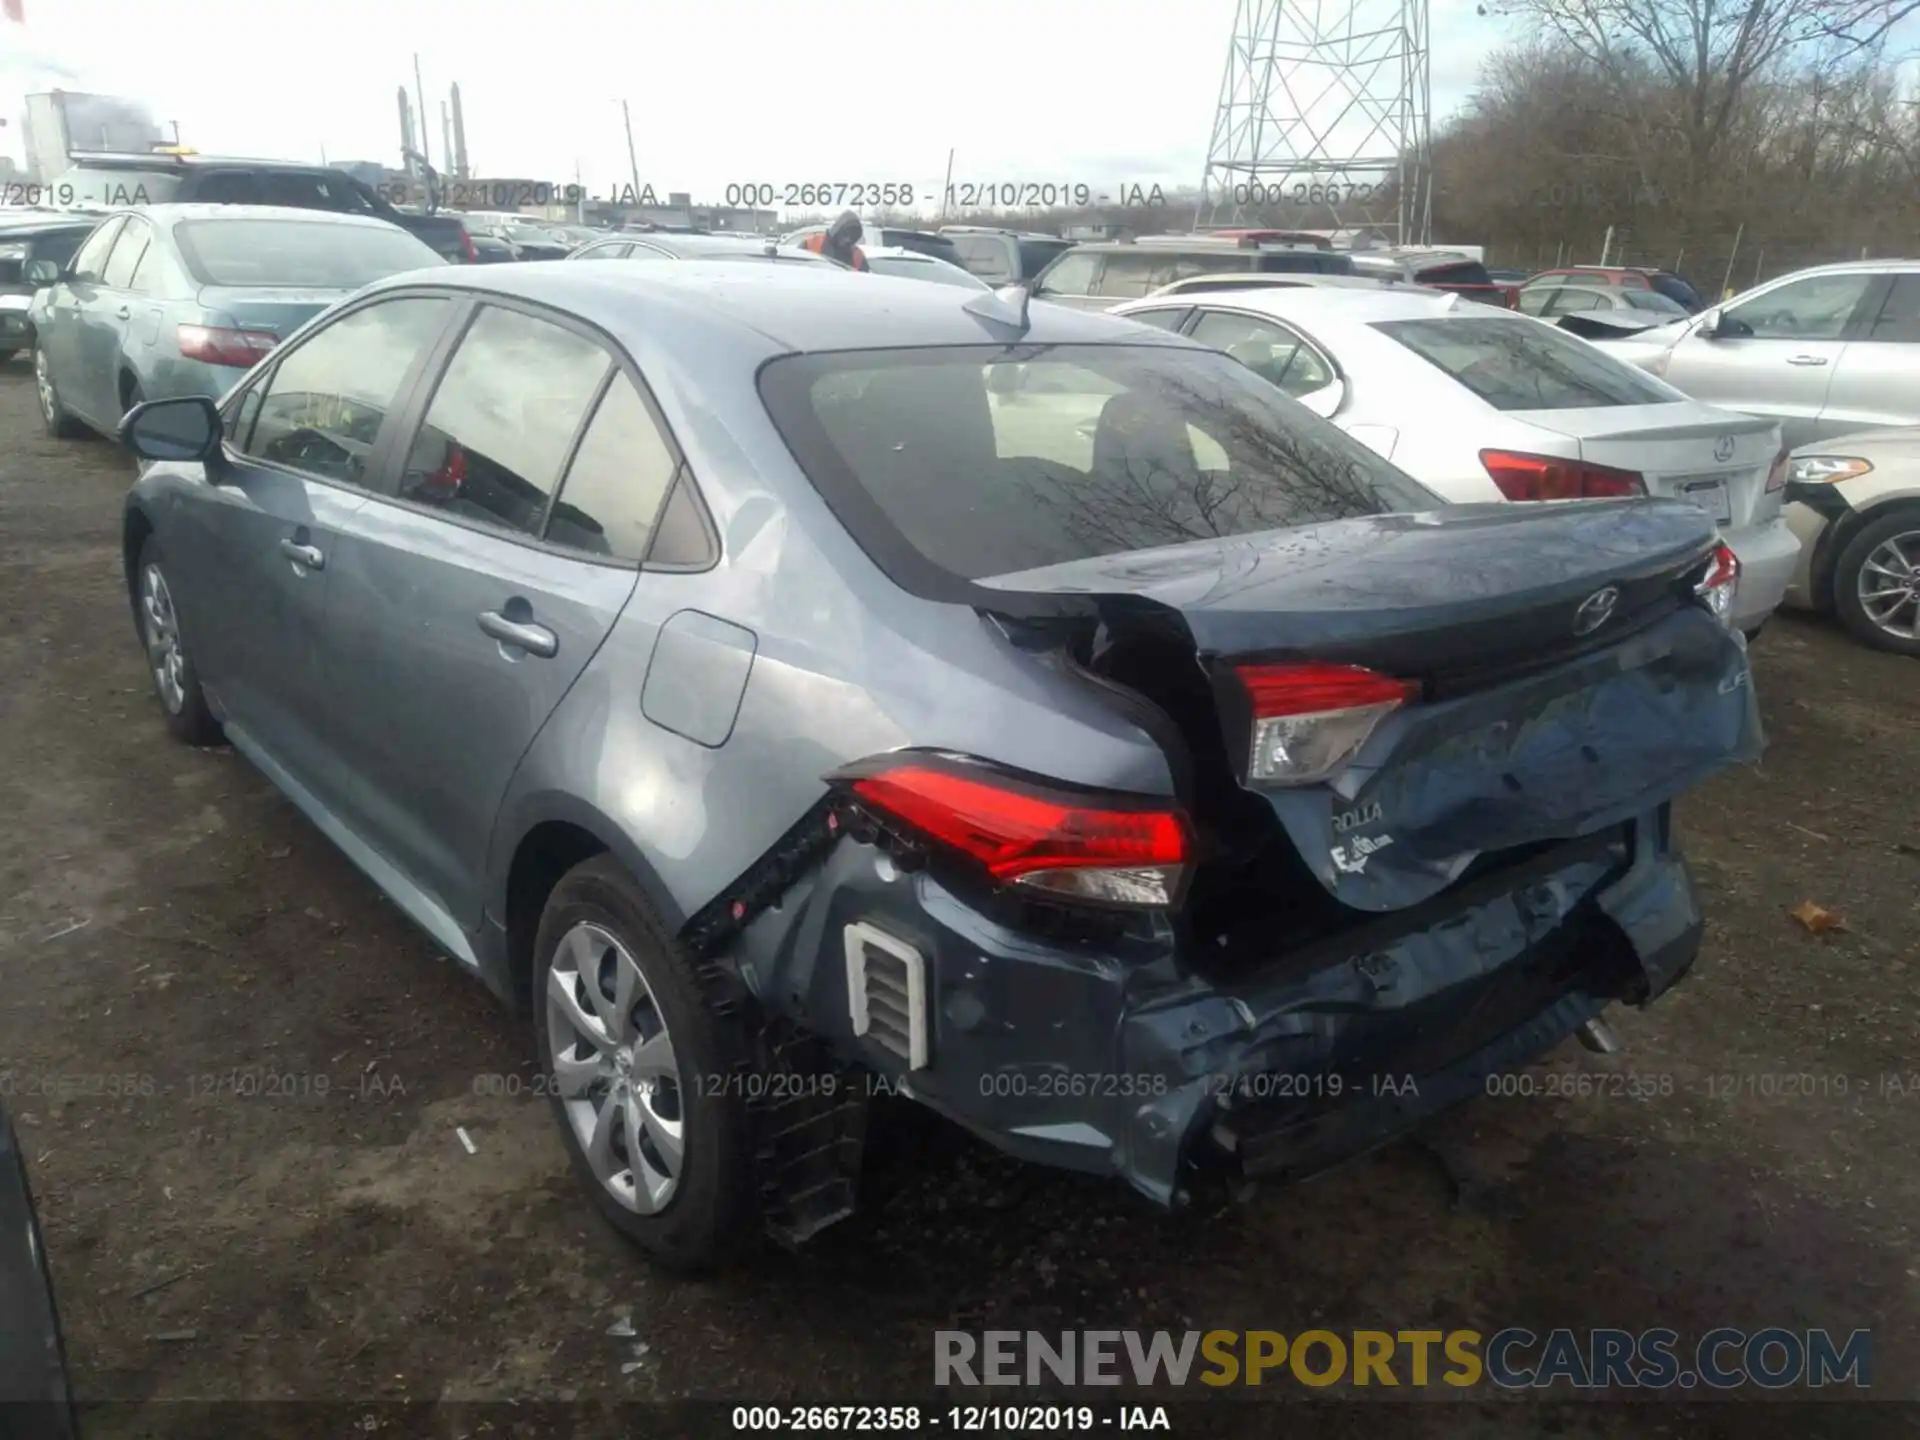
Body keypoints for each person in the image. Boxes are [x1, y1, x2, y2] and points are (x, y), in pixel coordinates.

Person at [804, 211, 869, 270]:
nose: (848, 240)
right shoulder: (811, 244)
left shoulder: (857, 256)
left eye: (853, 237)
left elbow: (866, 279)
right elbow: (797, 269)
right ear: (838, 230)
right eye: (846, 235)